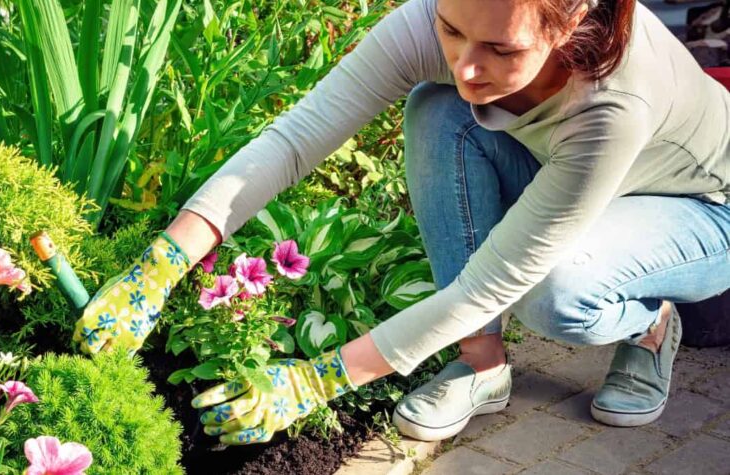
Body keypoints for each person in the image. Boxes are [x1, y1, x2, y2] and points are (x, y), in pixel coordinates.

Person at [73, 0, 730, 445]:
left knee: (555, 290)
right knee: (438, 109)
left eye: (500, 48)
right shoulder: (443, 22)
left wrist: (316, 379)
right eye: (451, 30)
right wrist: (159, 264)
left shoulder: (612, 102)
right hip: (574, 180)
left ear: (571, 19)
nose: (466, 64)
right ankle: (481, 364)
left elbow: (490, 282)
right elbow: (298, 138)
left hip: (699, 209)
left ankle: (651, 324)